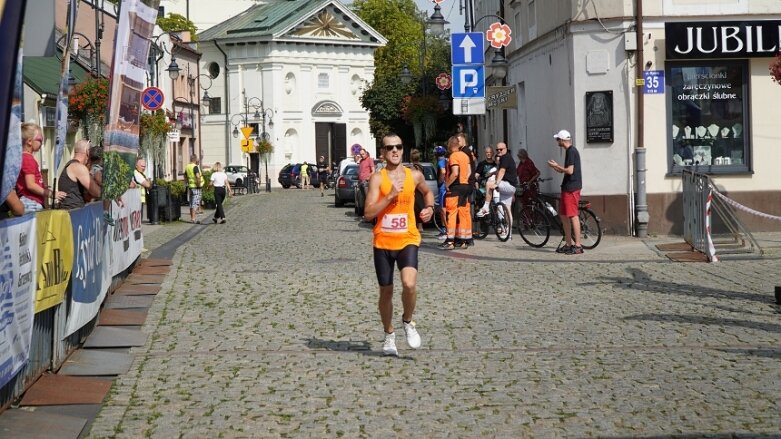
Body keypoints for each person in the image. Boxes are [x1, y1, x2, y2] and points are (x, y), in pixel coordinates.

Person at [363, 133, 434, 356]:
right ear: (382, 153)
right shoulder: (377, 178)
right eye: (389, 147)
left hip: (408, 239)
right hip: (383, 242)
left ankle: (408, 321)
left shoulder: (414, 176)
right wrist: (389, 197)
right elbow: (367, 213)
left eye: (399, 146)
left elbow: (428, 192)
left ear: (403, 150)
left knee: (409, 283)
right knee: (386, 292)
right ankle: (389, 334)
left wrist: (430, 208)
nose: (395, 150)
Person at [548, 129, 584, 255]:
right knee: (563, 215)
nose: (557, 141)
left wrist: (557, 166)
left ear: (563, 140)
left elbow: (569, 171)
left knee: (573, 215)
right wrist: (556, 167)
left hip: (572, 188)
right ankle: (568, 243)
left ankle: (578, 246)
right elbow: (566, 171)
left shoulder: (571, 151)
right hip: (567, 187)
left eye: (558, 139)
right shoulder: (569, 151)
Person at [17, 122, 64, 212]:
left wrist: (42, 185)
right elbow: (30, 185)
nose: (42, 143)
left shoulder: (24, 157)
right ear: (30, 141)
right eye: (40, 140)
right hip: (31, 203)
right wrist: (51, 194)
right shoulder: (28, 159)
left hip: (29, 202)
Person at [477, 142, 518, 237]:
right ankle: (509, 234)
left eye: (501, 149)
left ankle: (486, 207)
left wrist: (496, 183)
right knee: (507, 210)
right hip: (511, 187)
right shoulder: (508, 158)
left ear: (506, 149)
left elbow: (502, 171)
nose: (499, 151)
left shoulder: (505, 157)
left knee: (489, 183)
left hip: (508, 185)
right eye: (497, 149)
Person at [440, 135, 473, 250]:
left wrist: (447, 184)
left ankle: (450, 241)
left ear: (450, 145)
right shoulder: (465, 156)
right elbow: (469, 172)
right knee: (463, 214)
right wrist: (464, 180)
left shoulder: (453, 156)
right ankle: (463, 241)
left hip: (455, 188)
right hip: (466, 186)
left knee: (451, 214)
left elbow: (454, 173)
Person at [58, 139, 102, 209]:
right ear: (88, 152)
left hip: (70, 212)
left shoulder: (70, 165)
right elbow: (97, 192)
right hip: (73, 213)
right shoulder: (78, 167)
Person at [433, 145, 448, 239]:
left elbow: (442, 172)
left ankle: (446, 231)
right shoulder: (447, 160)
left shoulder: (441, 162)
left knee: (443, 210)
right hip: (446, 187)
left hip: (443, 188)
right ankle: (443, 229)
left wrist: (440, 181)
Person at [184, 155, 203, 224]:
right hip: (196, 187)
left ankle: (192, 218)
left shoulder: (187, 166)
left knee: (191, 202)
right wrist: (198, 184)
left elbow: (185, 176)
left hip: (190, 186)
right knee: (195, 203)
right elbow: (198, 176)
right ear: (195, 159)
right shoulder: (195, 167)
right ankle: (193, 219)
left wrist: (187, 183)